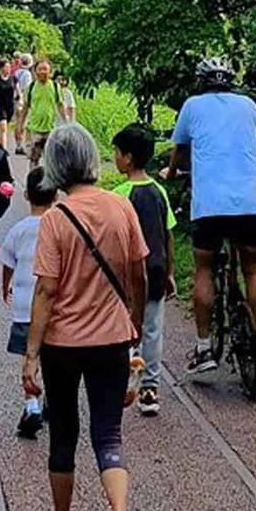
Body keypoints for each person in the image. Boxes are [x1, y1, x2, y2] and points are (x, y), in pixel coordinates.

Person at [23, 123, 147, 511]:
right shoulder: (121, 207)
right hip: (112, 337)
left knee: (63, 436)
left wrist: (31, 354)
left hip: (62, 343)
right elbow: (139, 273)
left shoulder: (55, 219)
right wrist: (135, 320)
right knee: (109, 434)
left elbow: (45, 291)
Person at [161, 57, 256, 373]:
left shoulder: (192, 106)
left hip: (210, 204)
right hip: (251, 200)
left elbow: (179, 149)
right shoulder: (248, 105)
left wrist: (171, 173)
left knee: (204, 268)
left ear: (202, 83)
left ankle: (203, 348)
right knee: (252, 267)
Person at [111, 125, 176, 416]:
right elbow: (168, 233)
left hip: (127, 276)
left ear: (128, 157)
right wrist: (170, 271)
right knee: (152, 330)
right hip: (157, 269)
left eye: (117, 152)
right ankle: (150, 388)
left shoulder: (119, 195)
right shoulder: (159, 191)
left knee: (123, 327)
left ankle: (121, 381)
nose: (115, 157)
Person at [0, 166, 57, 439]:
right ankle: (53, 403)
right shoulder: (59, 228)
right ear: (55, 195)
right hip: (53, 307)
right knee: (52, 356)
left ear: (26, 195)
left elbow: (7, 262)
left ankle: (31, 404)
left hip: (24, 307)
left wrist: (5, 286)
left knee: (28, 355)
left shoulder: (19, 229)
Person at [23, 58, 63, 168]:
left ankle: (49, 178)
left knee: (51, 159)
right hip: (34, 129)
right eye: (39, 69)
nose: (42, 72)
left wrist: (67, 121)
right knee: (34, 158)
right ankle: (33, 177)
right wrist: (19, 125)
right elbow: (25, 107)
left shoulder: (55, 87)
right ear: (35, 71)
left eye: (45, 69)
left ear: (50, 72)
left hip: (51, 128)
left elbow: (60, 105)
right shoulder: (31, 87)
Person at [0, 58, 17, 150]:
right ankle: (3, 149)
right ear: (1, 68)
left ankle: (14, 144)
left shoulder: (13, 79)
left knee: (9, 127)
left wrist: (20, 100)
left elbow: (18, 90)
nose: (8, 69)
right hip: (0, 105)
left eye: (9, 67)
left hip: (10, 105)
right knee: (3, 127)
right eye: (6, 67)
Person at [13, 53, 34, 153]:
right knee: (23, 123)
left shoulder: (16, 72)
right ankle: (22, 145)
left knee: (17, 122)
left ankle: (18, 145)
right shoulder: (27, 74)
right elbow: (27, 89)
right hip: (23, 100)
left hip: (15, 99)